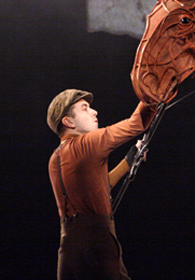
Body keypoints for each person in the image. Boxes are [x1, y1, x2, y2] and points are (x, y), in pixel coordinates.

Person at [46, 89, 156, 280]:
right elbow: (136, 123)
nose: (94, 112)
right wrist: (153, 93)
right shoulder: (87, 144)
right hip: (97, 244)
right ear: (68, 122)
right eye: (85, 108)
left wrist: (127, 163)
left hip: (69, 247)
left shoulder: (55, 157)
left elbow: (98, 187)